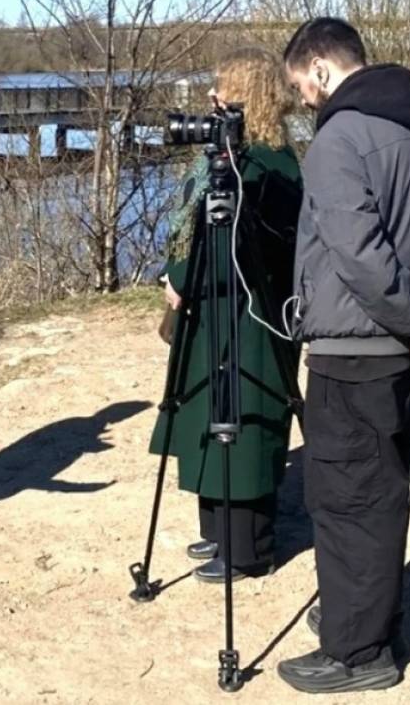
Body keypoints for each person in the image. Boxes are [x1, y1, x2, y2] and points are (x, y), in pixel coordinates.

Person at [275, 18, 410, 693]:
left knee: (344, 498)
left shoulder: (338, 140)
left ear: (323, 68)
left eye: (302, 86)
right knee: (382, 488)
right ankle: (360, 615)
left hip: (351, 349)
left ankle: (360, 651)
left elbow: (360, 256)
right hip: (399, 351)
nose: (305, 101)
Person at [148, 47, 304, 583]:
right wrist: (177, 273)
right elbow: (199, 229)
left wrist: (182, 278)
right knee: (206, 415)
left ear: (248, 98)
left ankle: (247, 550)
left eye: (223, 89)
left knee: (245, 420)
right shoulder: (233, 159)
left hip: (248, 315)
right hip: (213, 310)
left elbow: (235, 245)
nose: (211, 97)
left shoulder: (265, 165)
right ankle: (217, 530)